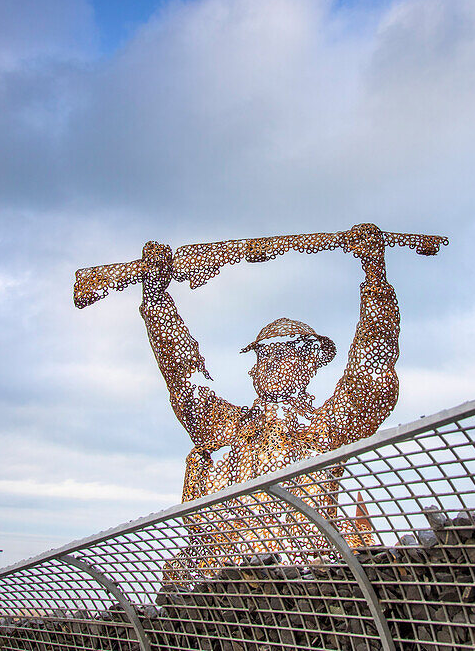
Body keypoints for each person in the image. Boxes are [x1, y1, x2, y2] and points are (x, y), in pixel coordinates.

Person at [138, 223, 416, 569]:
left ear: (310, 362)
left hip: (304, 584)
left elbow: (370, 370)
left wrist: (375, 275)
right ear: (253, 368)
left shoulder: (325, 428)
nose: (271, 362)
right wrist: (156, 298)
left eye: (284, 353)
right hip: (225, 588)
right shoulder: (230, 426)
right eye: (264, 354)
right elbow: (184, 376)